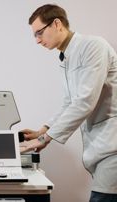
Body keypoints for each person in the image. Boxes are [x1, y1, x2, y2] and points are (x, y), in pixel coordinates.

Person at [20, 4, 117, 202]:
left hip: (112, 145)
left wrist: (44, 139)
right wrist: (43, 129)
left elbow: (84, 102)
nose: (37, 41)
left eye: (39, 33)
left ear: (57, 24)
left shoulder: (93, 46)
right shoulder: (66, 57)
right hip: (100, 147)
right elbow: (69, 103)